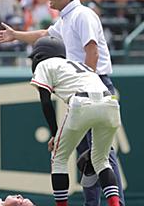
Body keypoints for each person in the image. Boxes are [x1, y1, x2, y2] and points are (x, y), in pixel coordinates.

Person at [0, 0, 126, 206]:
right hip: (83, 88)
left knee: (101, 155)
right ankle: (91, 203)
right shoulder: (66, 18)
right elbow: (45, 34)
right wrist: (16, 35)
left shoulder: (83, 15)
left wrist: (88, 84)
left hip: (95, 84)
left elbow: (92, 52)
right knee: (88, 158)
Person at [28, 36, 121, 206]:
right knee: (101, 160)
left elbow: (45, 101)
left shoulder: (45, 64)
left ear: (40, 55)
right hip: (110, 102)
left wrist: (55, 134)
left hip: (82, 103)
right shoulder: (79, 65)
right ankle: (115, 204)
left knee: (59, 159)